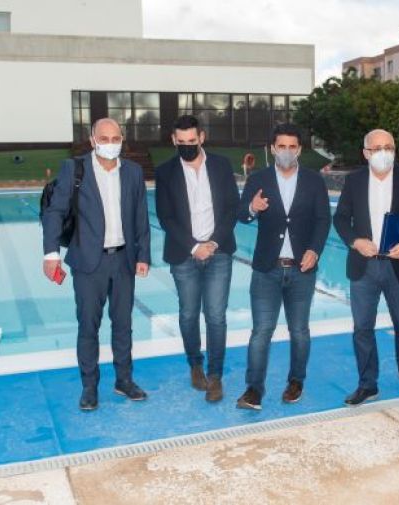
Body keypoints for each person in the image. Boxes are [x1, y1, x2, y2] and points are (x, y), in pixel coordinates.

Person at [42, 118, 151, 412]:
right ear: (92, 140)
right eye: (104, 138)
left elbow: (141, 215)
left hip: (124, 260)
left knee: (124, 325)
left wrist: (143, 255)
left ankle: (124, 380)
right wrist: (50, 254)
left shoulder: (132, 172)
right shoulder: (74, 169)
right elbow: (55, 212)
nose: (110, 143)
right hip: (89, 263)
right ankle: (89, 387)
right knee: (89, 327)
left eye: (116, 138)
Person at [333, 129, 399, 406]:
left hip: (397, 264)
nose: (383, 153)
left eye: (388, 147)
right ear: (366, 153)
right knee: (362, 328)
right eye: (377, 148)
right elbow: (341, 218)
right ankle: (367, 384)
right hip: (363, 266)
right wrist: (355, 241)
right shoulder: (354, 181)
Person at [236, 123, 331, 410]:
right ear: (272, 149)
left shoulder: (314, 181)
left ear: (299, 149)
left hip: (302, 270)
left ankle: (296, 382)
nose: (287, 152)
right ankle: (254, 389)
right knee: (261, 331)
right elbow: (242, 215)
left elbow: (323, 220)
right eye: (282, 146)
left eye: (292, 147)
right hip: (267, 268)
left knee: (299, 330)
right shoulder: (259, 179)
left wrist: (314, 249)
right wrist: (253, 207)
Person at [155, 115, 239, 402]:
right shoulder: (165, 171)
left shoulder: (221, 165)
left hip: (219, 251)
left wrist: (213, 243)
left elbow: (231, 209)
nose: (187, 146)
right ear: (174, 141)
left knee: (216, 315)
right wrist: (194, 247)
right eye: (182, 142)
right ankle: (195, 365)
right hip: (183, 254)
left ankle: (215, 375)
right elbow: (166, 217)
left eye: (192, 141)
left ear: (201, 138)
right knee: (189, 313)